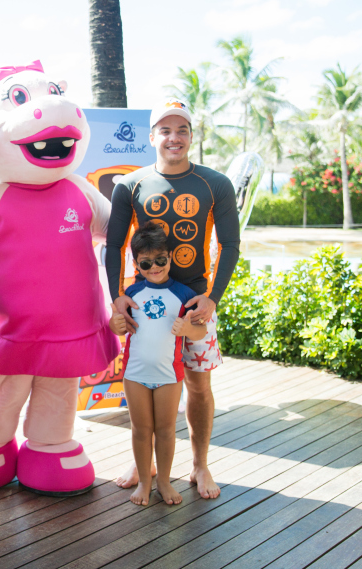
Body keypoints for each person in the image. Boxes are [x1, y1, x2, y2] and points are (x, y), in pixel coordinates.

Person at [105, 98, 240, 500]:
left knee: (198, 386)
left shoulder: (215, 184)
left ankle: (200, 464)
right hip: (144, 306)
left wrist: (212, 298)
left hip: (195, 303)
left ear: (192, 136)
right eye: (165, 130)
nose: (174, 137)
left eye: (182, 129)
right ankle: (143, 462)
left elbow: (230, 244)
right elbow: (112, 246)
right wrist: (117, 297)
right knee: (143, 383)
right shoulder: (130, 185)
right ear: (152, 137)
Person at [109, 222, 207, 506]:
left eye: (160, 261)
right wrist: (115, 322)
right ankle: (144, 481)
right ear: (137, 264)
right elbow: (118, 326)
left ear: (171, 258)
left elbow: (200, 332)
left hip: (169, 375)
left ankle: (163, 481)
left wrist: (188, 330)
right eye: (146, 263)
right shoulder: (131, 294)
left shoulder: (185, 295)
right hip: (135, 374)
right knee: (140, 430)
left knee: (165, 430)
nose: (154, 267)